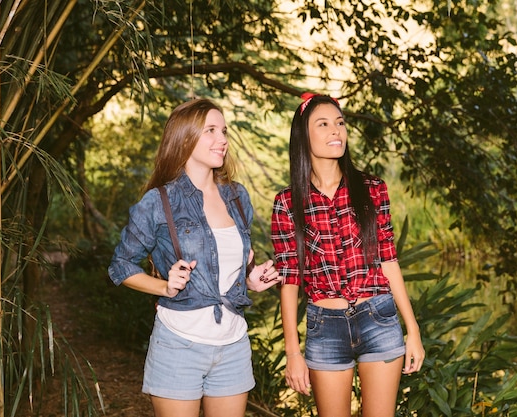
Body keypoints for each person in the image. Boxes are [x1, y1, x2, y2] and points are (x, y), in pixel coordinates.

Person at [108, 98, 279, 417]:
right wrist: (164, 287)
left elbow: (230, 263)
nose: (223, 139)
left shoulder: (237, 197)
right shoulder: (159, 201)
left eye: (224, 131)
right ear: (185, 137)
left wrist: (251, 278)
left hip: (233, 344)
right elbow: (121, 265)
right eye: (210, 130)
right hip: (178, 346)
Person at [271, 93, 425, 417]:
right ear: (304, 135)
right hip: (324, 325)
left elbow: (389, 259)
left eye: (339, 123)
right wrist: (292, 351)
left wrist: (413, 330)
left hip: (378, 317)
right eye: (323, 124)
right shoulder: (287, 203)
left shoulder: (372, 188)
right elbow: (289, 278)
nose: (335, 131)